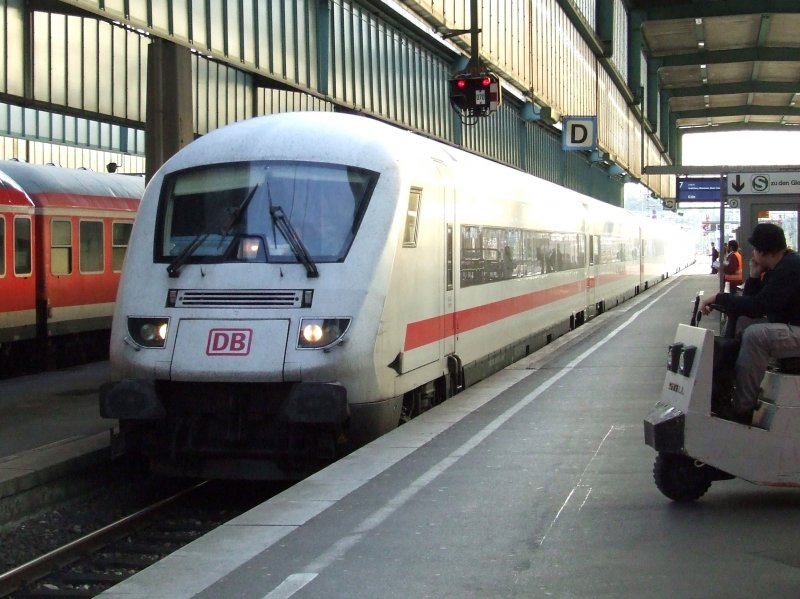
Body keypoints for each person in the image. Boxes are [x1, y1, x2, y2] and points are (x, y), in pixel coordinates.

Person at [700, 223, 800, 423]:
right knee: (746, 323)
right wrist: (754, 276)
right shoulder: (779, 268)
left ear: (763, 251)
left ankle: (742, 409)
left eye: (755, 249)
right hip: (793, 328)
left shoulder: (790, 268)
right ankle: (729, 392)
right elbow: (752, 307)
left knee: (756, 336)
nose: (752, 254)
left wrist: (719, 298)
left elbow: (757, 306)